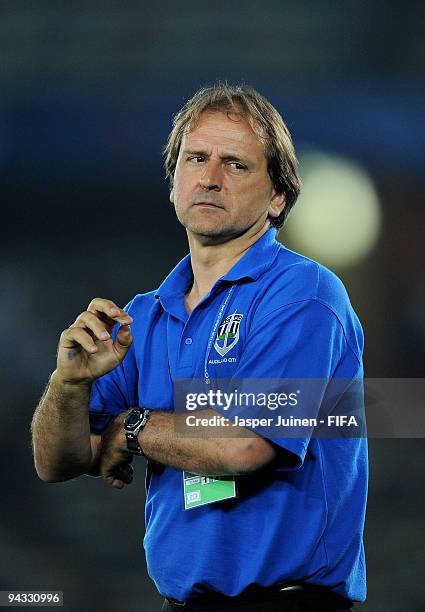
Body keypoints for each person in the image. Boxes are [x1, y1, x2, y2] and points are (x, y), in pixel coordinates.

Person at [31, 83, 367, 612]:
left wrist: (131, 427)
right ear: (173, 183)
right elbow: (57, 462)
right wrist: (68, 386)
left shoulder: (304, 294)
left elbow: (244, 445)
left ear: (278, 196)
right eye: (196, 158)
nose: (209, 178)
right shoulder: (144, 315)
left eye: (235, 164)